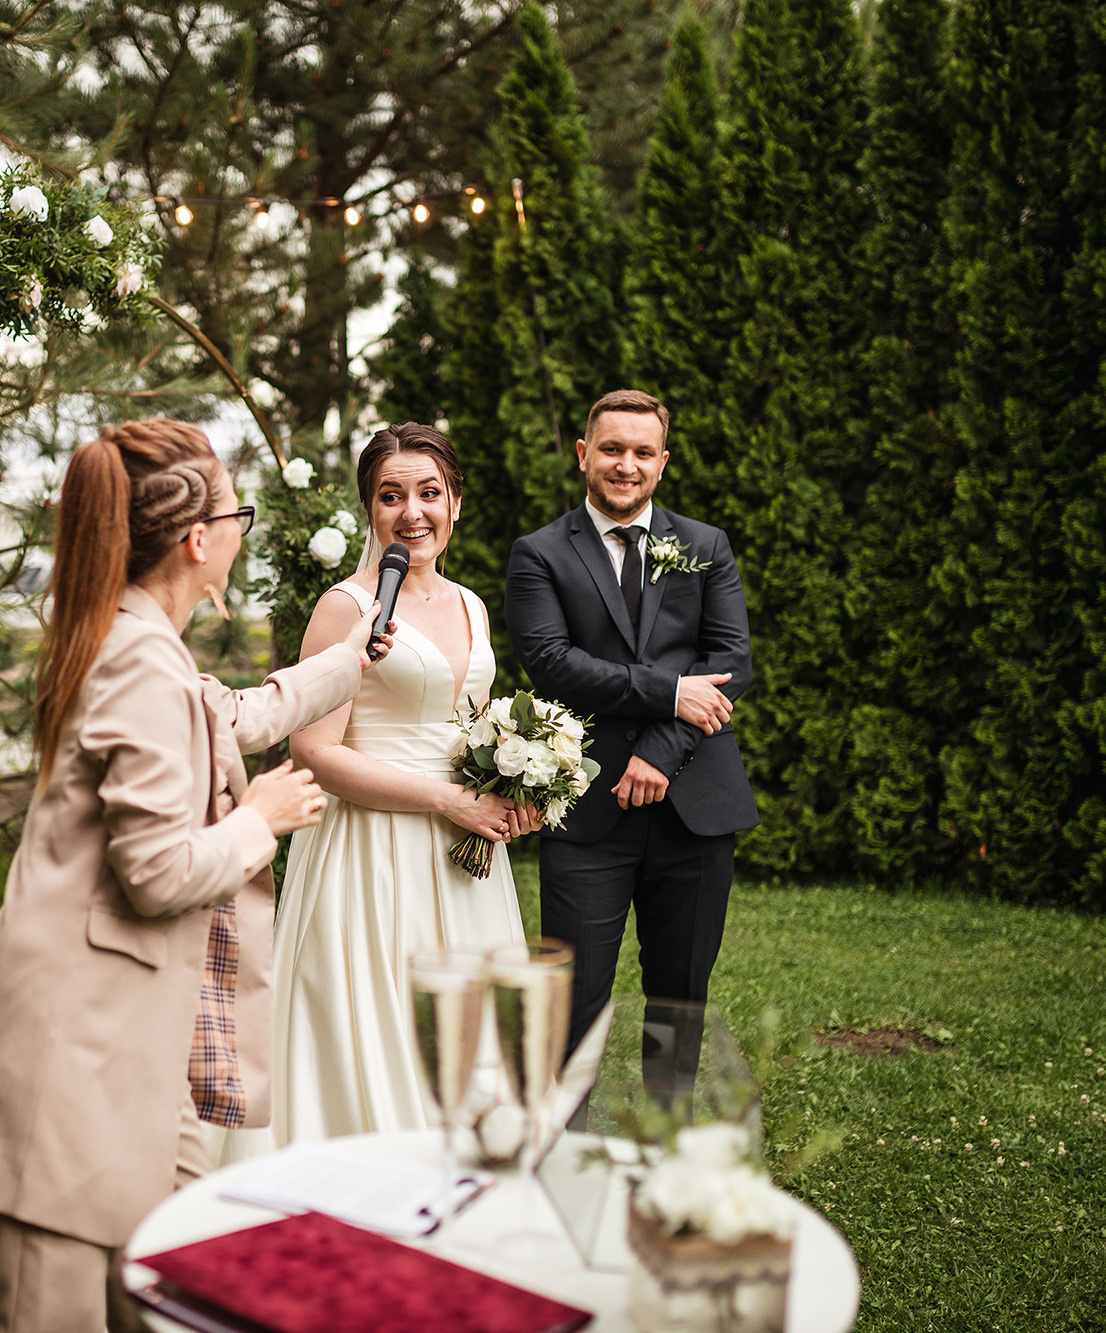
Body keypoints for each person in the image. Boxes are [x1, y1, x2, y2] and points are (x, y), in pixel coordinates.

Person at [0, 419, 392, 1333]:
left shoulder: (133, 637)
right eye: (237, 514)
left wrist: (350, 661)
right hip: (73, 1046)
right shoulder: (138, 661)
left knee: (172, 1289)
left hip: (128, 1039)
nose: (240, 531)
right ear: (200, 539)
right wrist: (261, 817)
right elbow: (155, 873)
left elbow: (232, 714)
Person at [261, 423, 538, 1147]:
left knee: (469, 1027)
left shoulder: (472, 604)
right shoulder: (346, 607)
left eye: (429, 493)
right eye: (391, 496)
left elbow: (474, 729)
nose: (412, 513)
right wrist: (446, 799)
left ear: (455, 504)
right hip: (371, 848)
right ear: (370, 509)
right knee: (379, 1024)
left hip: (465, 852)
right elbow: (313, 751)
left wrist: (519, 780)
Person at [504, 389, 757, 1060]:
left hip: (694, 806)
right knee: (574, 1003)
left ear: (662, 462)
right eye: (611, 449)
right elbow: (554, 664)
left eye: (643, 452)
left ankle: (666, 1128)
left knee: (680, 1001)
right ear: (584, 454)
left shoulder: (705, 545)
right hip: (588, 809)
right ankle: (563, 1127)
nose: (626, 465)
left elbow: (730, 662)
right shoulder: (539, 553)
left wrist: (659, 752)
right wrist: (670, 693)